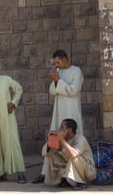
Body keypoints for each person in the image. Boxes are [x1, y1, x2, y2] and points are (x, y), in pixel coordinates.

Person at [33, 49, 84, 183]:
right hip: (59, 109)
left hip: (71, 109)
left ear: (65, 59)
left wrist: (58, 80)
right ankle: (46, 173)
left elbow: (73, 90)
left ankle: (73, 174)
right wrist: (56, 80)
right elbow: (52, 90)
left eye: (58, 62)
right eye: (55, 63)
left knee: (70, 138)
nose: (56, 65)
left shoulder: (76, 71)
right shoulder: (59, 72)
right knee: (54, 137)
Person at [42, 118, 95, 189]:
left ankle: (80, 182)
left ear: (70, 130)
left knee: (74, 158)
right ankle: (64, 179)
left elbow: (74, 154)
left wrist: (62, 140)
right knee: (53, 156)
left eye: (62, 127)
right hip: (69, 165)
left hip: (87, 170)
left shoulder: (80, 139)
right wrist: (51, 140)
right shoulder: (62, 138)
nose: (59, 129)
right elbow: (46, 154)